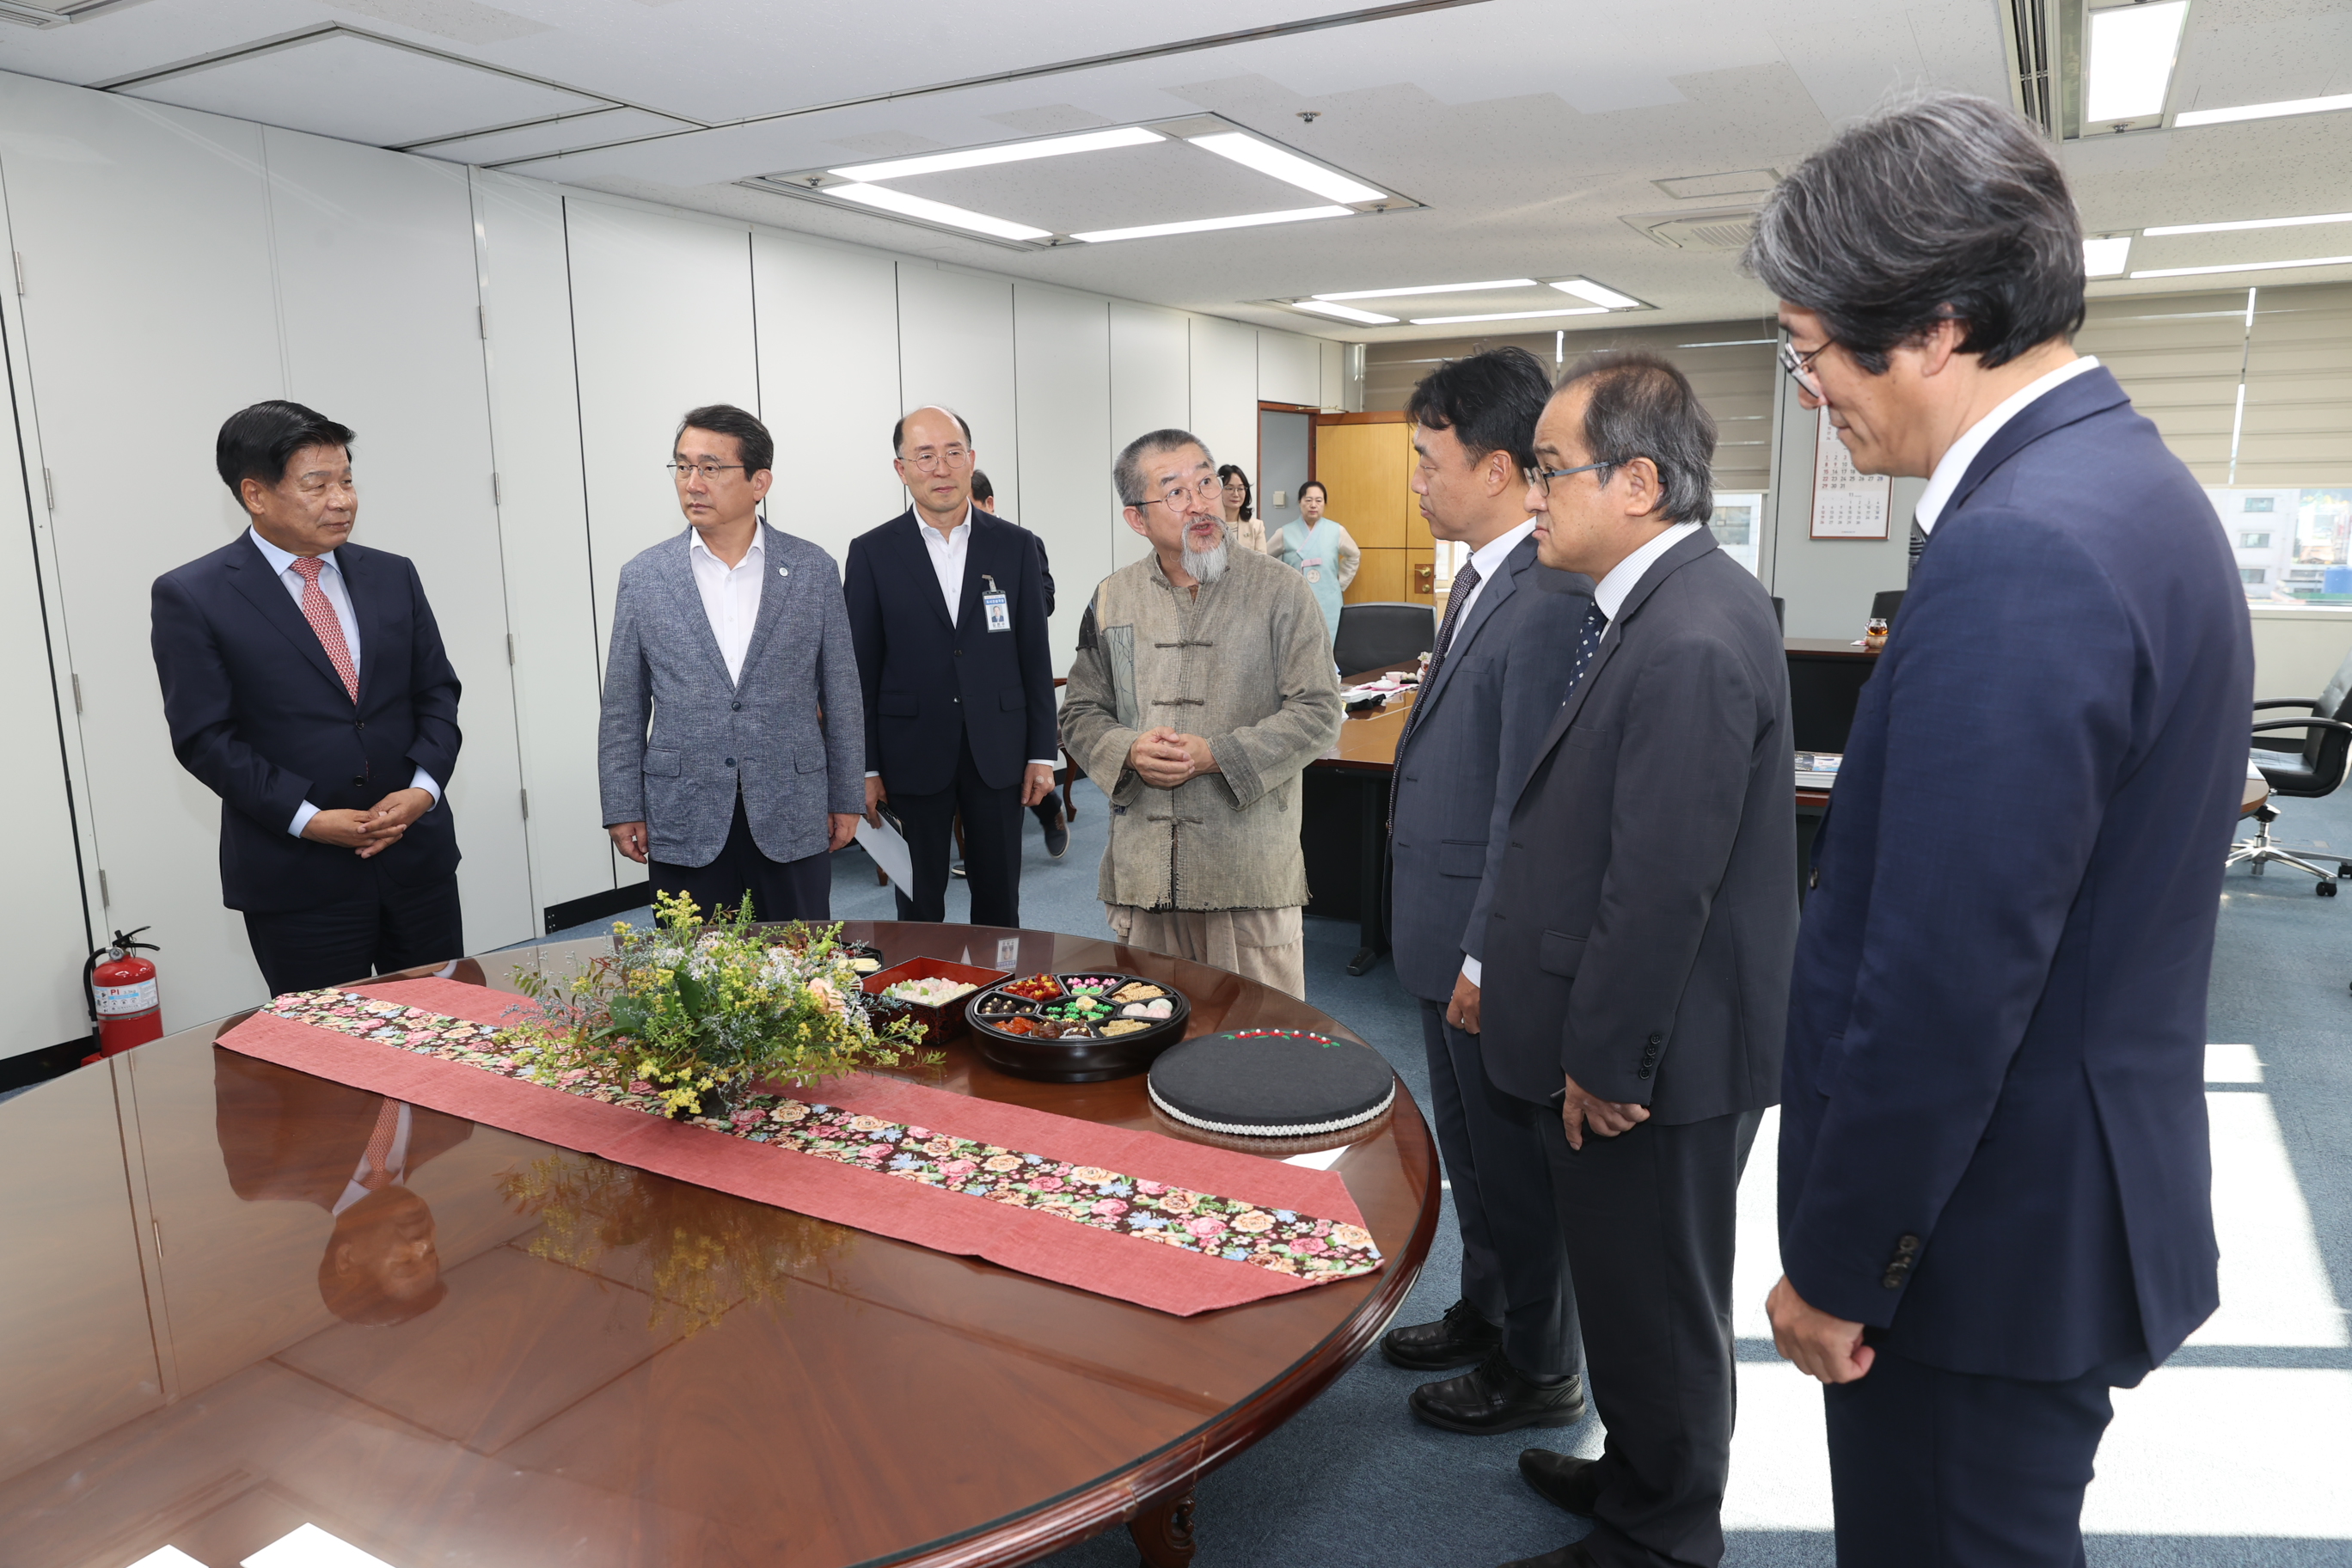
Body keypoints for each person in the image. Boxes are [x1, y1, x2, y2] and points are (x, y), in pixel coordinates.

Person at [1746, 93, 2254, 1567]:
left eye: (1813, 348)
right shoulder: (2130, 488)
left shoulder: (2024, 546)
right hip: (2054, 1194)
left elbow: (1947, 974)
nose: (1811, 388)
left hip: (1979, 1238)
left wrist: (1845, 1267)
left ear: (1940, 324)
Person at [1481, 351, 1795, 1568]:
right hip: (1646, 1034)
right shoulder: (1660, 606)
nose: (1536, 495)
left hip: (1658, 1057)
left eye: (1553, 471)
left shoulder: (1693, 637)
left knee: (1659, 1299)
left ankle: (1663, 1535)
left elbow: (1662, 886)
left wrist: (1607, 1063)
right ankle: (1641, 1473)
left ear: (1640, 484)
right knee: (1631, 1290)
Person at [1380, 347, 1596, 1434]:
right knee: (1472, 1157)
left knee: (1516, 1161)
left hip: (1485, 941)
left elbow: (1528, 803)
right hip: (1442, 924)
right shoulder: (1479, 578)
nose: (1418, 480)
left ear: (1501, 466)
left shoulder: (1547, 594)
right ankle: (1487, 1310)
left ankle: (1540, 1367)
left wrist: (1480, 956)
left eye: (1431, 459)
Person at [152, 401, 463, 998]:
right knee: (328, 1061)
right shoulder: (193, 596)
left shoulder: (392, 574)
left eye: (346, 480)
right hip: (297, 876)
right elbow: (206, 739)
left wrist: (424, 790)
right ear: (256, 494)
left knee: (449, 1032)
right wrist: (309, 820)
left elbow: (437, 692)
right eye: (317, 484)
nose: (342, 499)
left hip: (415, 861)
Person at [1061, 429, 1342, 996]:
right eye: (1175, 492)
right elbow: (1081, 711)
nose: (1200, 503)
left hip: (1247, 873)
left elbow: (1317, 711)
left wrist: (1218, 755)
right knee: (1148, 1045)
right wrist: (1130, 750)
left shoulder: (1281, 591)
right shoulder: (1112, 598)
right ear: (1137, 519)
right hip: (1144, 878)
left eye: (1206, 482)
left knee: (1259, 1052)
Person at [598, 405, 864, 923]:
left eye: (711, 468)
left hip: (791, 804)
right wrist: (622, 804)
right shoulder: (645, 576)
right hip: (684, 811)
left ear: (759, 481)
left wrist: (846, 795)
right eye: (682, 466)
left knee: (801, 971)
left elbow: (843, 695)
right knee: (695, 979)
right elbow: (622, 707)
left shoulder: (812, 570)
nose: (692, 482)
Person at [845, 407, 1058, 927]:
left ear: (971, 461)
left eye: (952, 453)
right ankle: (923, 1001)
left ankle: (1000, 999)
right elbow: (859, 673)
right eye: (924, 456)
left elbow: (1034, 654)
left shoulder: (1016, 546)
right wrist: (866, 768)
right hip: (911, 752)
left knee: (999, 896)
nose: (940, 468)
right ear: (901, 469)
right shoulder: (871, 553)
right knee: (918, 901)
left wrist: (1041, 753)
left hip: (999, 747)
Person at [215, 1051, 468, 1326]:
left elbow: (240, 1044)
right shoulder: (454, 1129)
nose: (423, 1242)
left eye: (406, 1263)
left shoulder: (265, 1173)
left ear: (347, 1258)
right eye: (431, 1252)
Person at [972, 469, 1070, 859]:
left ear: (989, 505)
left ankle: (1051, 812)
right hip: (961, 682)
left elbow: (1044, 600)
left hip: (1008, 673)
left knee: (1010, 763)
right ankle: (975, 852)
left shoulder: (1022, 544)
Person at [1273, 479, 1359, 648]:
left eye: (1318, 500)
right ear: (1300, 502)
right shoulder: (1285, 532)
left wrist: (1339, 584)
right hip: (1295, 601)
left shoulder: (1337, 531)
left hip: (1329, 601)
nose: (1313, 505)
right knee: (1296, 647)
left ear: (1324, 503)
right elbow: (1264, 558)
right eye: (1308, 500)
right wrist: (1280, 585)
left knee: (1329, 646)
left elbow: (1354, 556)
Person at [1218, 463, 1267, 554]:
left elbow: (1262, 563)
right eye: (1229, 488)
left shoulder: (1256, 527)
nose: (1236, 494)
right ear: (1218, 490)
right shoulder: (1209, 525)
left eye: (1240, 489)